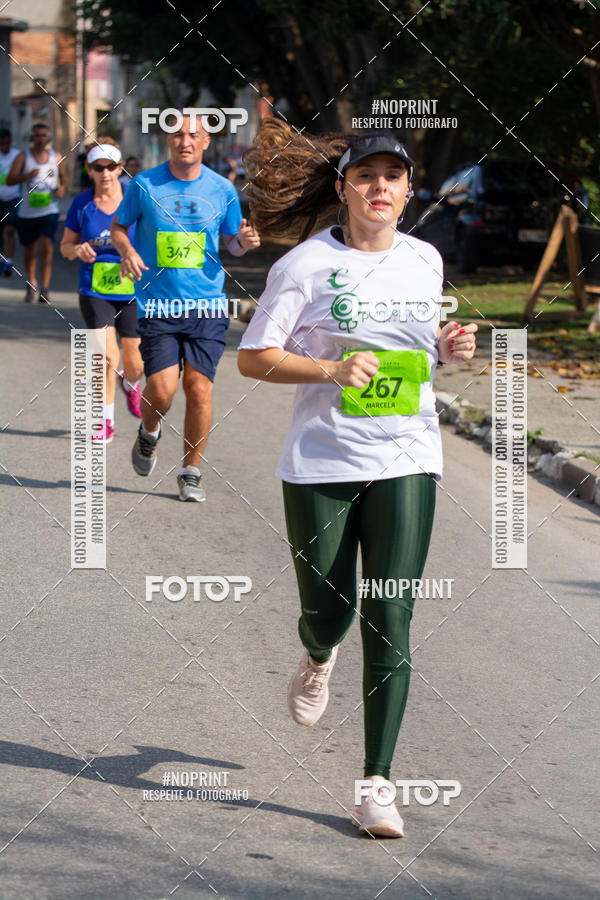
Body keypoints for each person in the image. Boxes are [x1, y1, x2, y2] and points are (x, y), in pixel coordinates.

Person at [238, 121, 478, 838]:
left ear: (408, 192)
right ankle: (318, 651)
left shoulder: (425, 261)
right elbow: (256, 357)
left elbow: (419, 357)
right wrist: (330, 369)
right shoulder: (304, 267)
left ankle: (377, 783)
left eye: (392, 177)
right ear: (343, 187)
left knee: (392, 612)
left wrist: (447, 347)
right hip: (321, 460)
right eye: (366, 175)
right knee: (330, 610)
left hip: (406, 453)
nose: (380, 187)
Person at [111, 114, 260, 501]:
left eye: (194, 135)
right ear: (168, 140)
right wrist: (127, 251)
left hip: (208, 307)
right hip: (158, 303)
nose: (185, 141)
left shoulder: (223, 189)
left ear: (206, 142)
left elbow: (232, 244)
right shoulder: (145, 184)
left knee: (198, 388)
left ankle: (190, 471)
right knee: (160, 391)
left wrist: (244, 241)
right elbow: (119, 227)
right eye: (177, 134)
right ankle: (149, 433)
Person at [60, 138, 144, 443]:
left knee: (135, 363)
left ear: (121, 168)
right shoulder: (81, 204)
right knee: (107, 357)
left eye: (111, 167)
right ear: (90, 170)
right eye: (99, 167)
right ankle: (104, 420)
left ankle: (131, 384)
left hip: (133, 289)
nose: (105, 173)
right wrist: (77, 250)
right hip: (94, 289)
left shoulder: (135, 200)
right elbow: (65, 247)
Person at [6, 122, 67, 303]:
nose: (40, 139)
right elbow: (10, 180)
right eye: (37, 135)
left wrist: (62, 188)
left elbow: (63, 178)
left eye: (43, 135)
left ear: (48, 138)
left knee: (47, 246)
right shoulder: (23, 157)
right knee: (30, 250)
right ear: (32, 138)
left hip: (49, 210)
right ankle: (31, 282)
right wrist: (27, 176)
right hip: (27, 211)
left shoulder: (56, 157)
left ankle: (45, 288)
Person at [0, 128, 22, 278]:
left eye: (6, 143)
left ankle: (9, 260)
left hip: (13, 198)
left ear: (10, 142)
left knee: (9, 230)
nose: (4, 146)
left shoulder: (17, 156)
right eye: (1, 144)